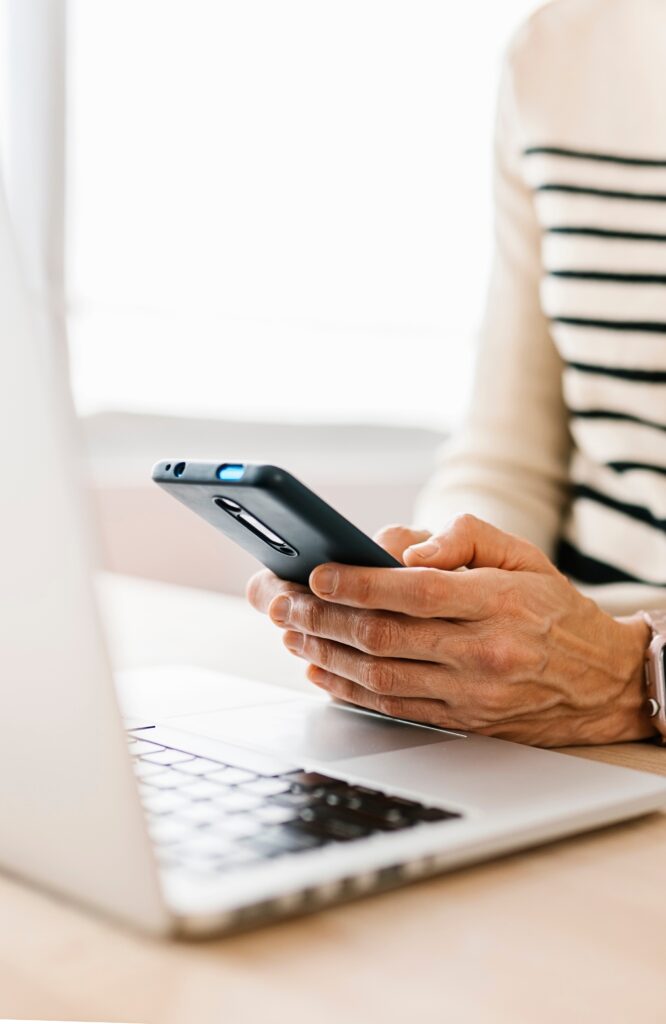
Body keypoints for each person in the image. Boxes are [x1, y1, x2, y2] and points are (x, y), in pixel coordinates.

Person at [248, 0, 666, 747]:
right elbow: (510, 452)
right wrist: (443, 601)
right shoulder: (557, 52)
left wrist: (636, 676)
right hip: (551, 710)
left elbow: (620, 674)